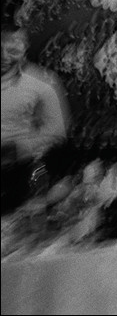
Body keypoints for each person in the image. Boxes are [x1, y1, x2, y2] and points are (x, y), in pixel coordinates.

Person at [1, 24, 71, 212]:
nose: (4, 57)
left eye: (12, 50)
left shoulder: (43, 83)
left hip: (20, 174)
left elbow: (57, 132)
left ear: (24, 48)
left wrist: (16, 149)